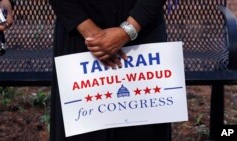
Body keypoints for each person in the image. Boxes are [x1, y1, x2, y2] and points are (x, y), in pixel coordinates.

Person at [49, 0, 171, 141]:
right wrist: (93, 36)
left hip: (143, 29)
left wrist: (129, 30)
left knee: (143, 131)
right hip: (79, 33)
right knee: (82, 132)